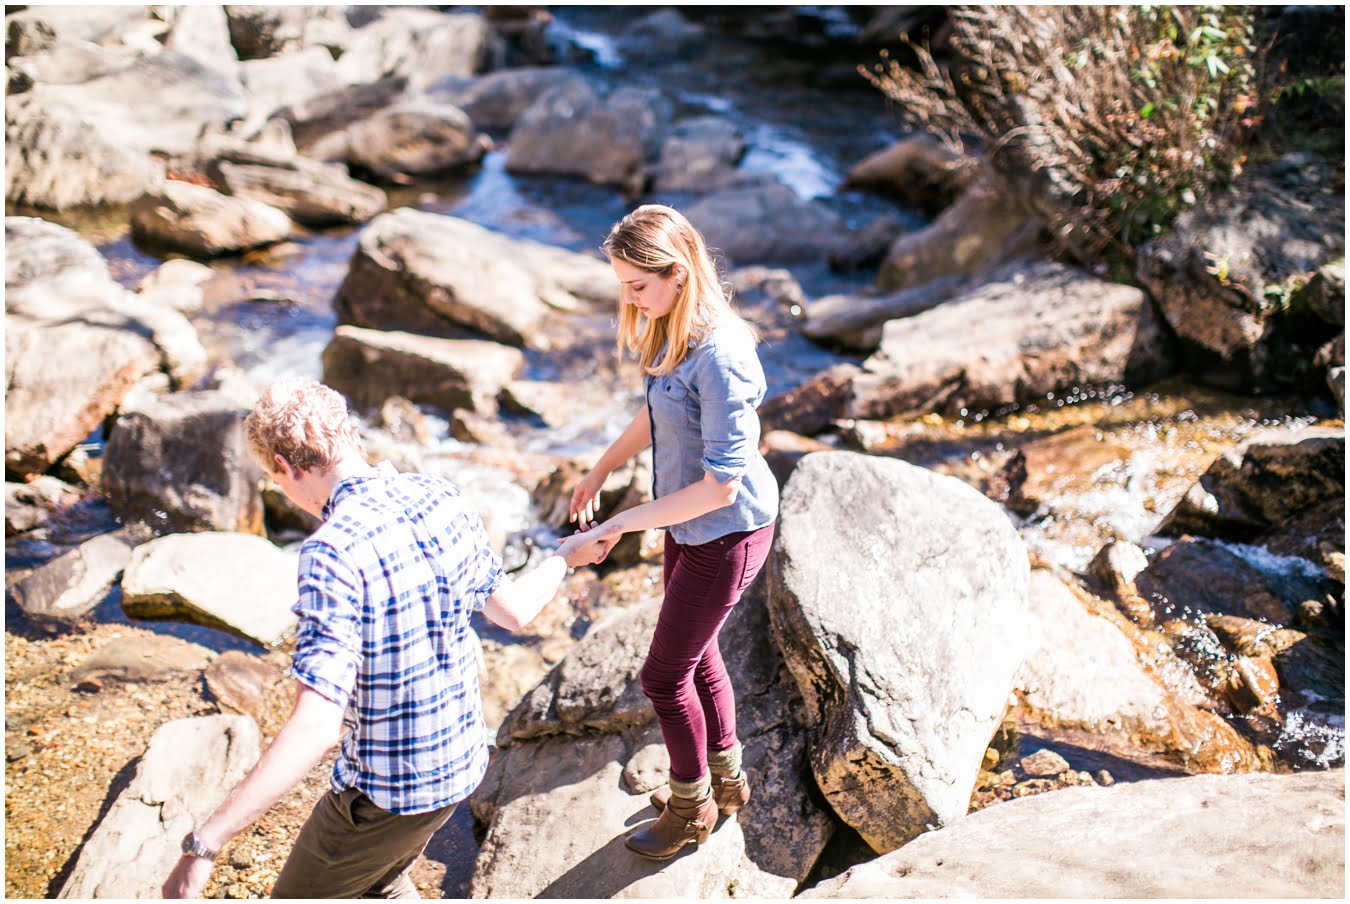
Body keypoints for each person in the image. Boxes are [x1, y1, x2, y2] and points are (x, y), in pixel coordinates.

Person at [162, 379, 598, 899]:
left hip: (389, 794)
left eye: (274, 479)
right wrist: (564, 558)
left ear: (288, 467)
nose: (282, 492)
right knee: (382, 879)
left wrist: (205, 842)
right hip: (460, 767)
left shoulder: (331, 553)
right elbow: (513, 610)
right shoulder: (441, 497)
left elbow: (317, 728)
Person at [565, 204, 779, 860]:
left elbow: (722, 485)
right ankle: (727, 781)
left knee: (662, 677)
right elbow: (656, 410)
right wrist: (603, 467)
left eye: (637, 285)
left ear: (678, 274)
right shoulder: (667, 326)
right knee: (698, 652)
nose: (628, 298)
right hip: (685, 521)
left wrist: (625, 523)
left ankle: (691, 809)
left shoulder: (723, 355)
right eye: (622, 284)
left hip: (727, 529)